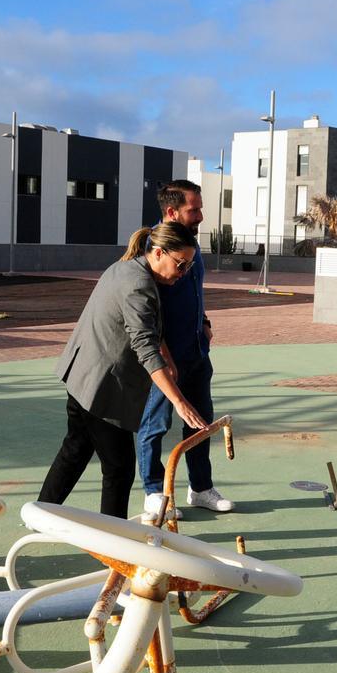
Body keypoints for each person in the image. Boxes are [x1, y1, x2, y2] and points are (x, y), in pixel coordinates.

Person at [38, 222, 209, 519]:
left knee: (76, 449)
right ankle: (115, 539)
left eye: (188, 266)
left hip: (83, 375)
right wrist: (179, 401)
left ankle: (41, 512)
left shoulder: (128, 268)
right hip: (100, 387)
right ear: (157, 253)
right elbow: (144, 346)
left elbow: (149, 328)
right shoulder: (138, 285)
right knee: (118, 469)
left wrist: (166, 355)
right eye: (180, 264)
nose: (183, 273)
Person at [138, 179, 234, 522]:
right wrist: (163, 353)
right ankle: (154, 491)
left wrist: (205, 322)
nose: (201, 215)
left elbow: (194, 293)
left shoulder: (191, 246)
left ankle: (201, 487)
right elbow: (146, 311)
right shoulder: (154, 252)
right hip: (166, 359)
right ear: (171, 211)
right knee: (155, 423)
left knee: (200, 421)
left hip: (197, 352)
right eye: (194, 209)